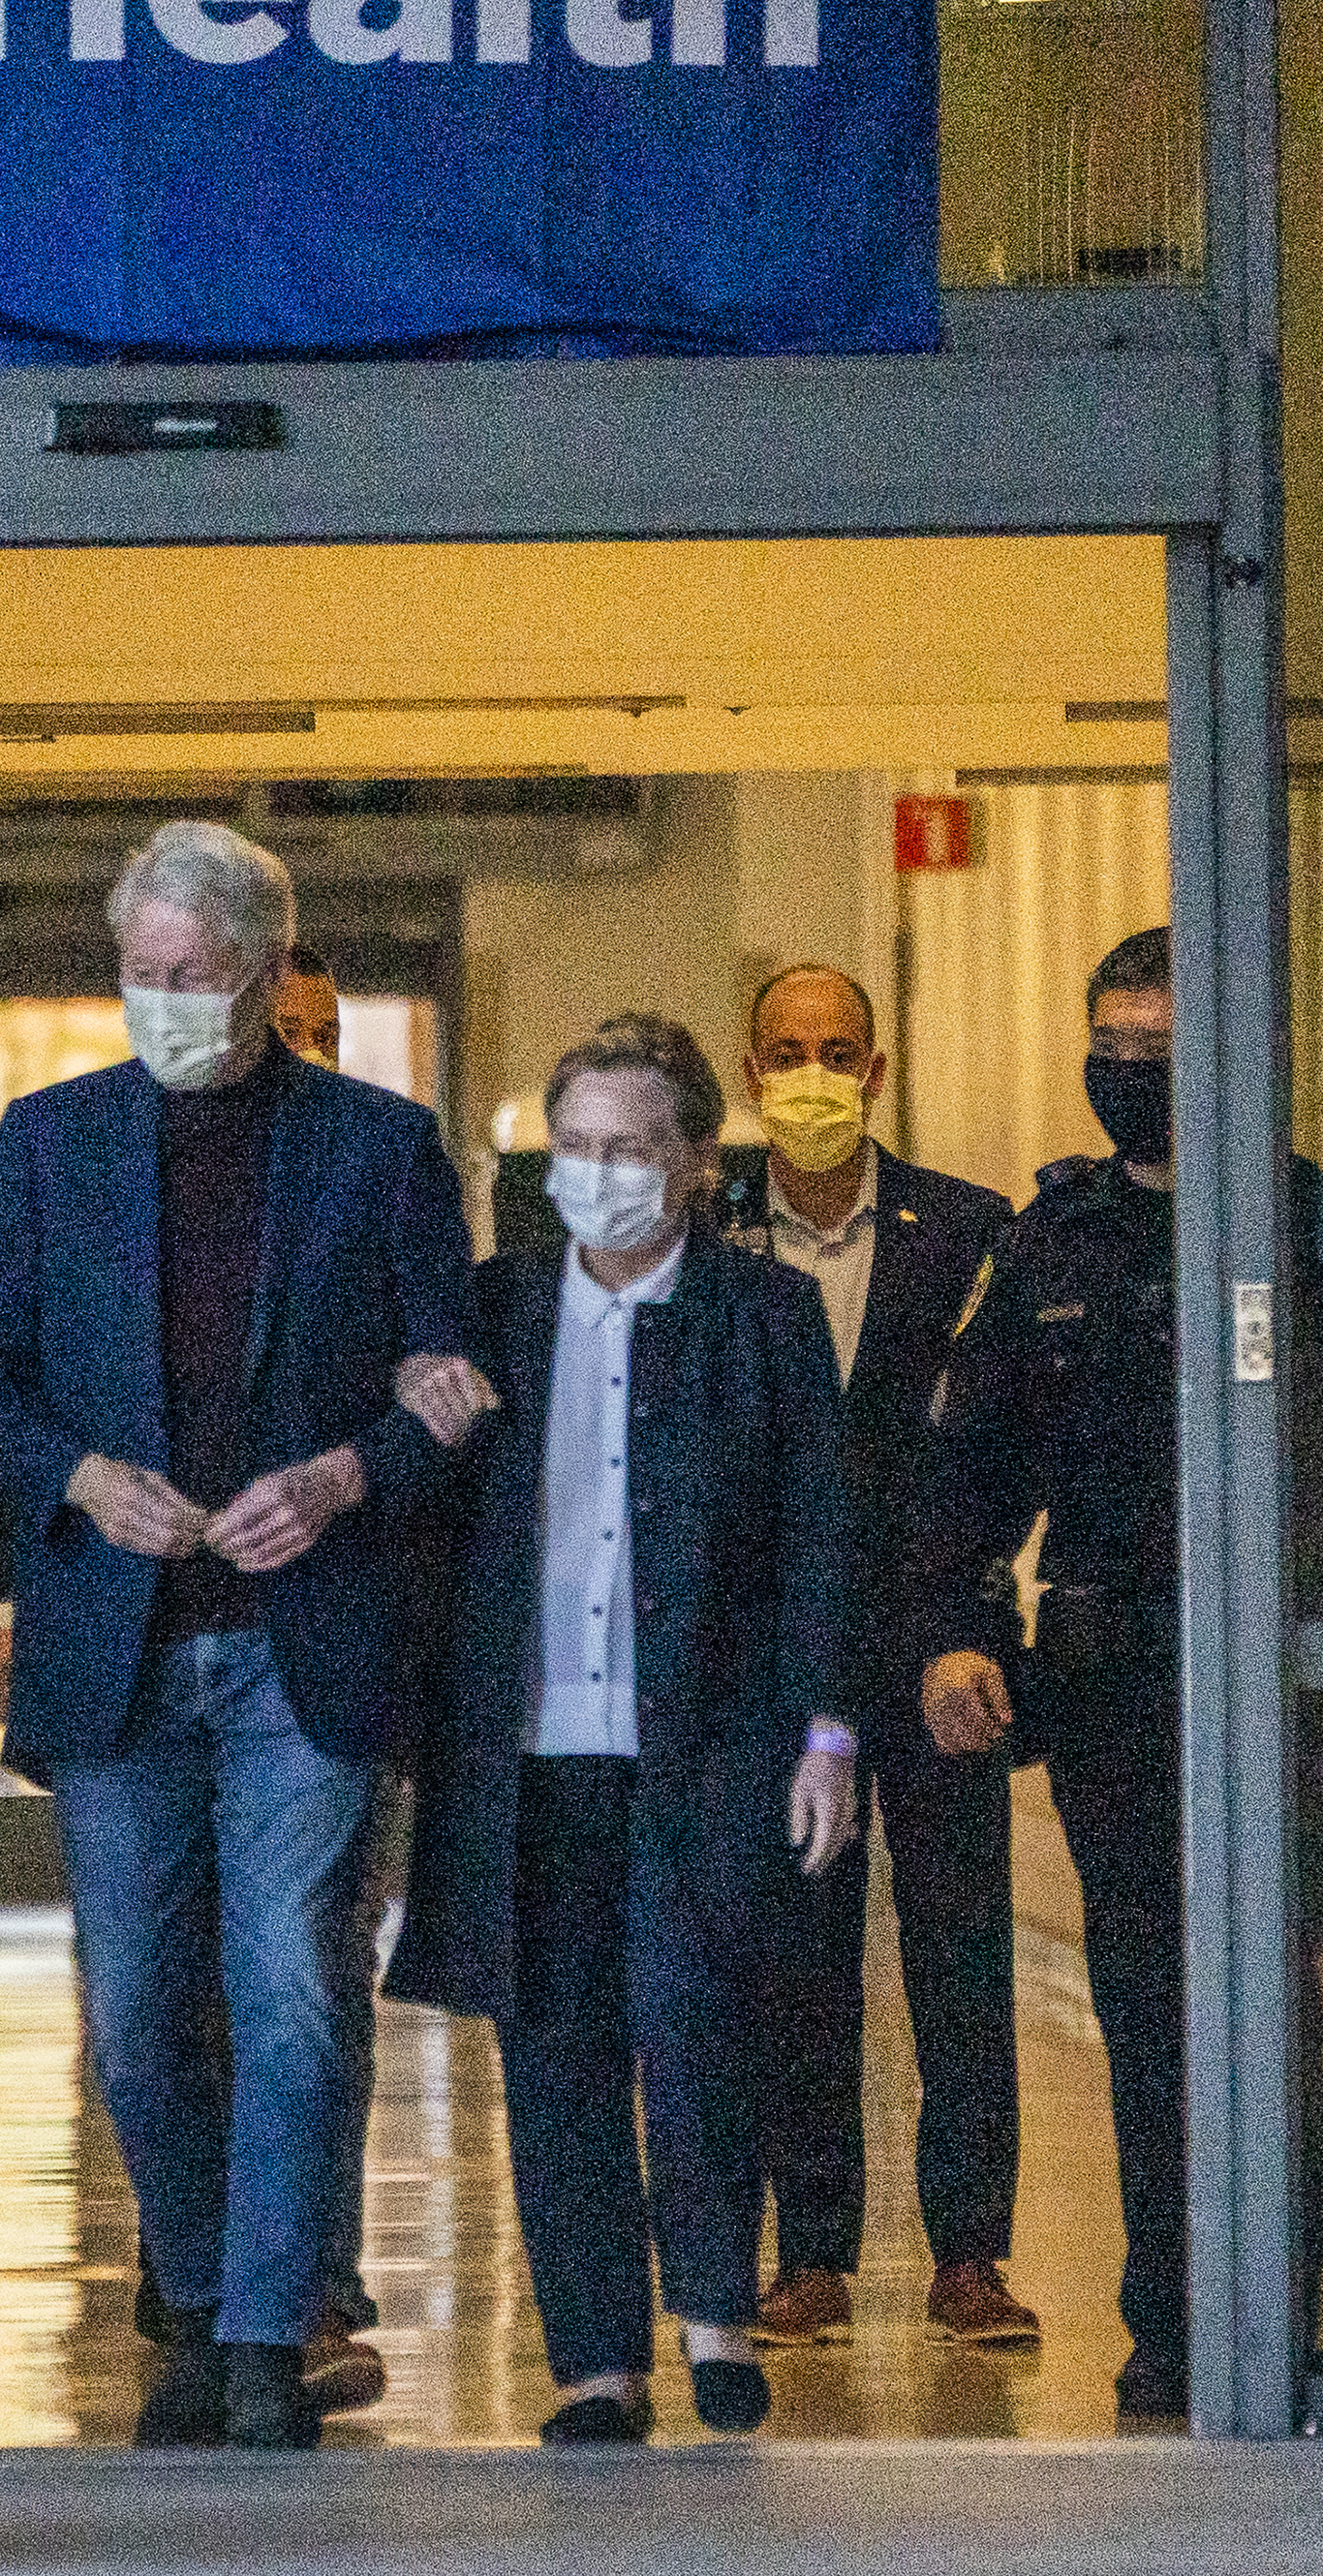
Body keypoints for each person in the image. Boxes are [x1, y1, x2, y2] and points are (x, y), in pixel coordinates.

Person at [0, 820, 482, 2450]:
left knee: (297, 1988)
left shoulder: (381, 1150)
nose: (159, 1000)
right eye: (138, 973)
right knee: (138, 2018)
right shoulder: (51, 1143)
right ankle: (195, 2277)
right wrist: (82, 1481)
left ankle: (261, 2333)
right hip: (122, 1643)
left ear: (261, 973)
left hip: (304, 1642)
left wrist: (336, 1476)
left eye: (191, 975)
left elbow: (448, 1384)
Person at [908, 928, 1323, 2419]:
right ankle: (1176, 2324)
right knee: (1150, 2006)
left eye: (1163, 1051)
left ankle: (1278, 2313)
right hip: (1112, 1681)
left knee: (1271, 1991)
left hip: (1293, 1674)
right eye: (1114, 1050)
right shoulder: (1051, 1246)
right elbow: (969, 1468)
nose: (1132, 1078)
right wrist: (956, 1626)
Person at [388, 1014, 860, 2446]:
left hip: (708, 1740)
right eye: (575, 1146)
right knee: (557, 2052)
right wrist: (415, 1402)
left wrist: (828, 1730)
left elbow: (819, 1529)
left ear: (696, 1161)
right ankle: (597, 2357)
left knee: (698, 2024)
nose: (598, 1173)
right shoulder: (493, 1310)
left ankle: (716, 2313)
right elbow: (429, 1511)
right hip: (527, 1754)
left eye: (629, 1147)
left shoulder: (763, 1317)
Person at [720, 965, 1032, 2351]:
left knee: (960, 1951)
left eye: (837, 1051)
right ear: (748, 1071)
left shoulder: (967, 1232)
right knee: (799, 1956)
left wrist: (963, 1627)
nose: (813, 1074)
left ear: (879, 1072)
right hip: (782, 1658)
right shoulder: (709, 1233)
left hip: (936, 1646)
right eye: (787, 1051)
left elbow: (1004, 1437)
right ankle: (816, 2252)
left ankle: (970, 2251)